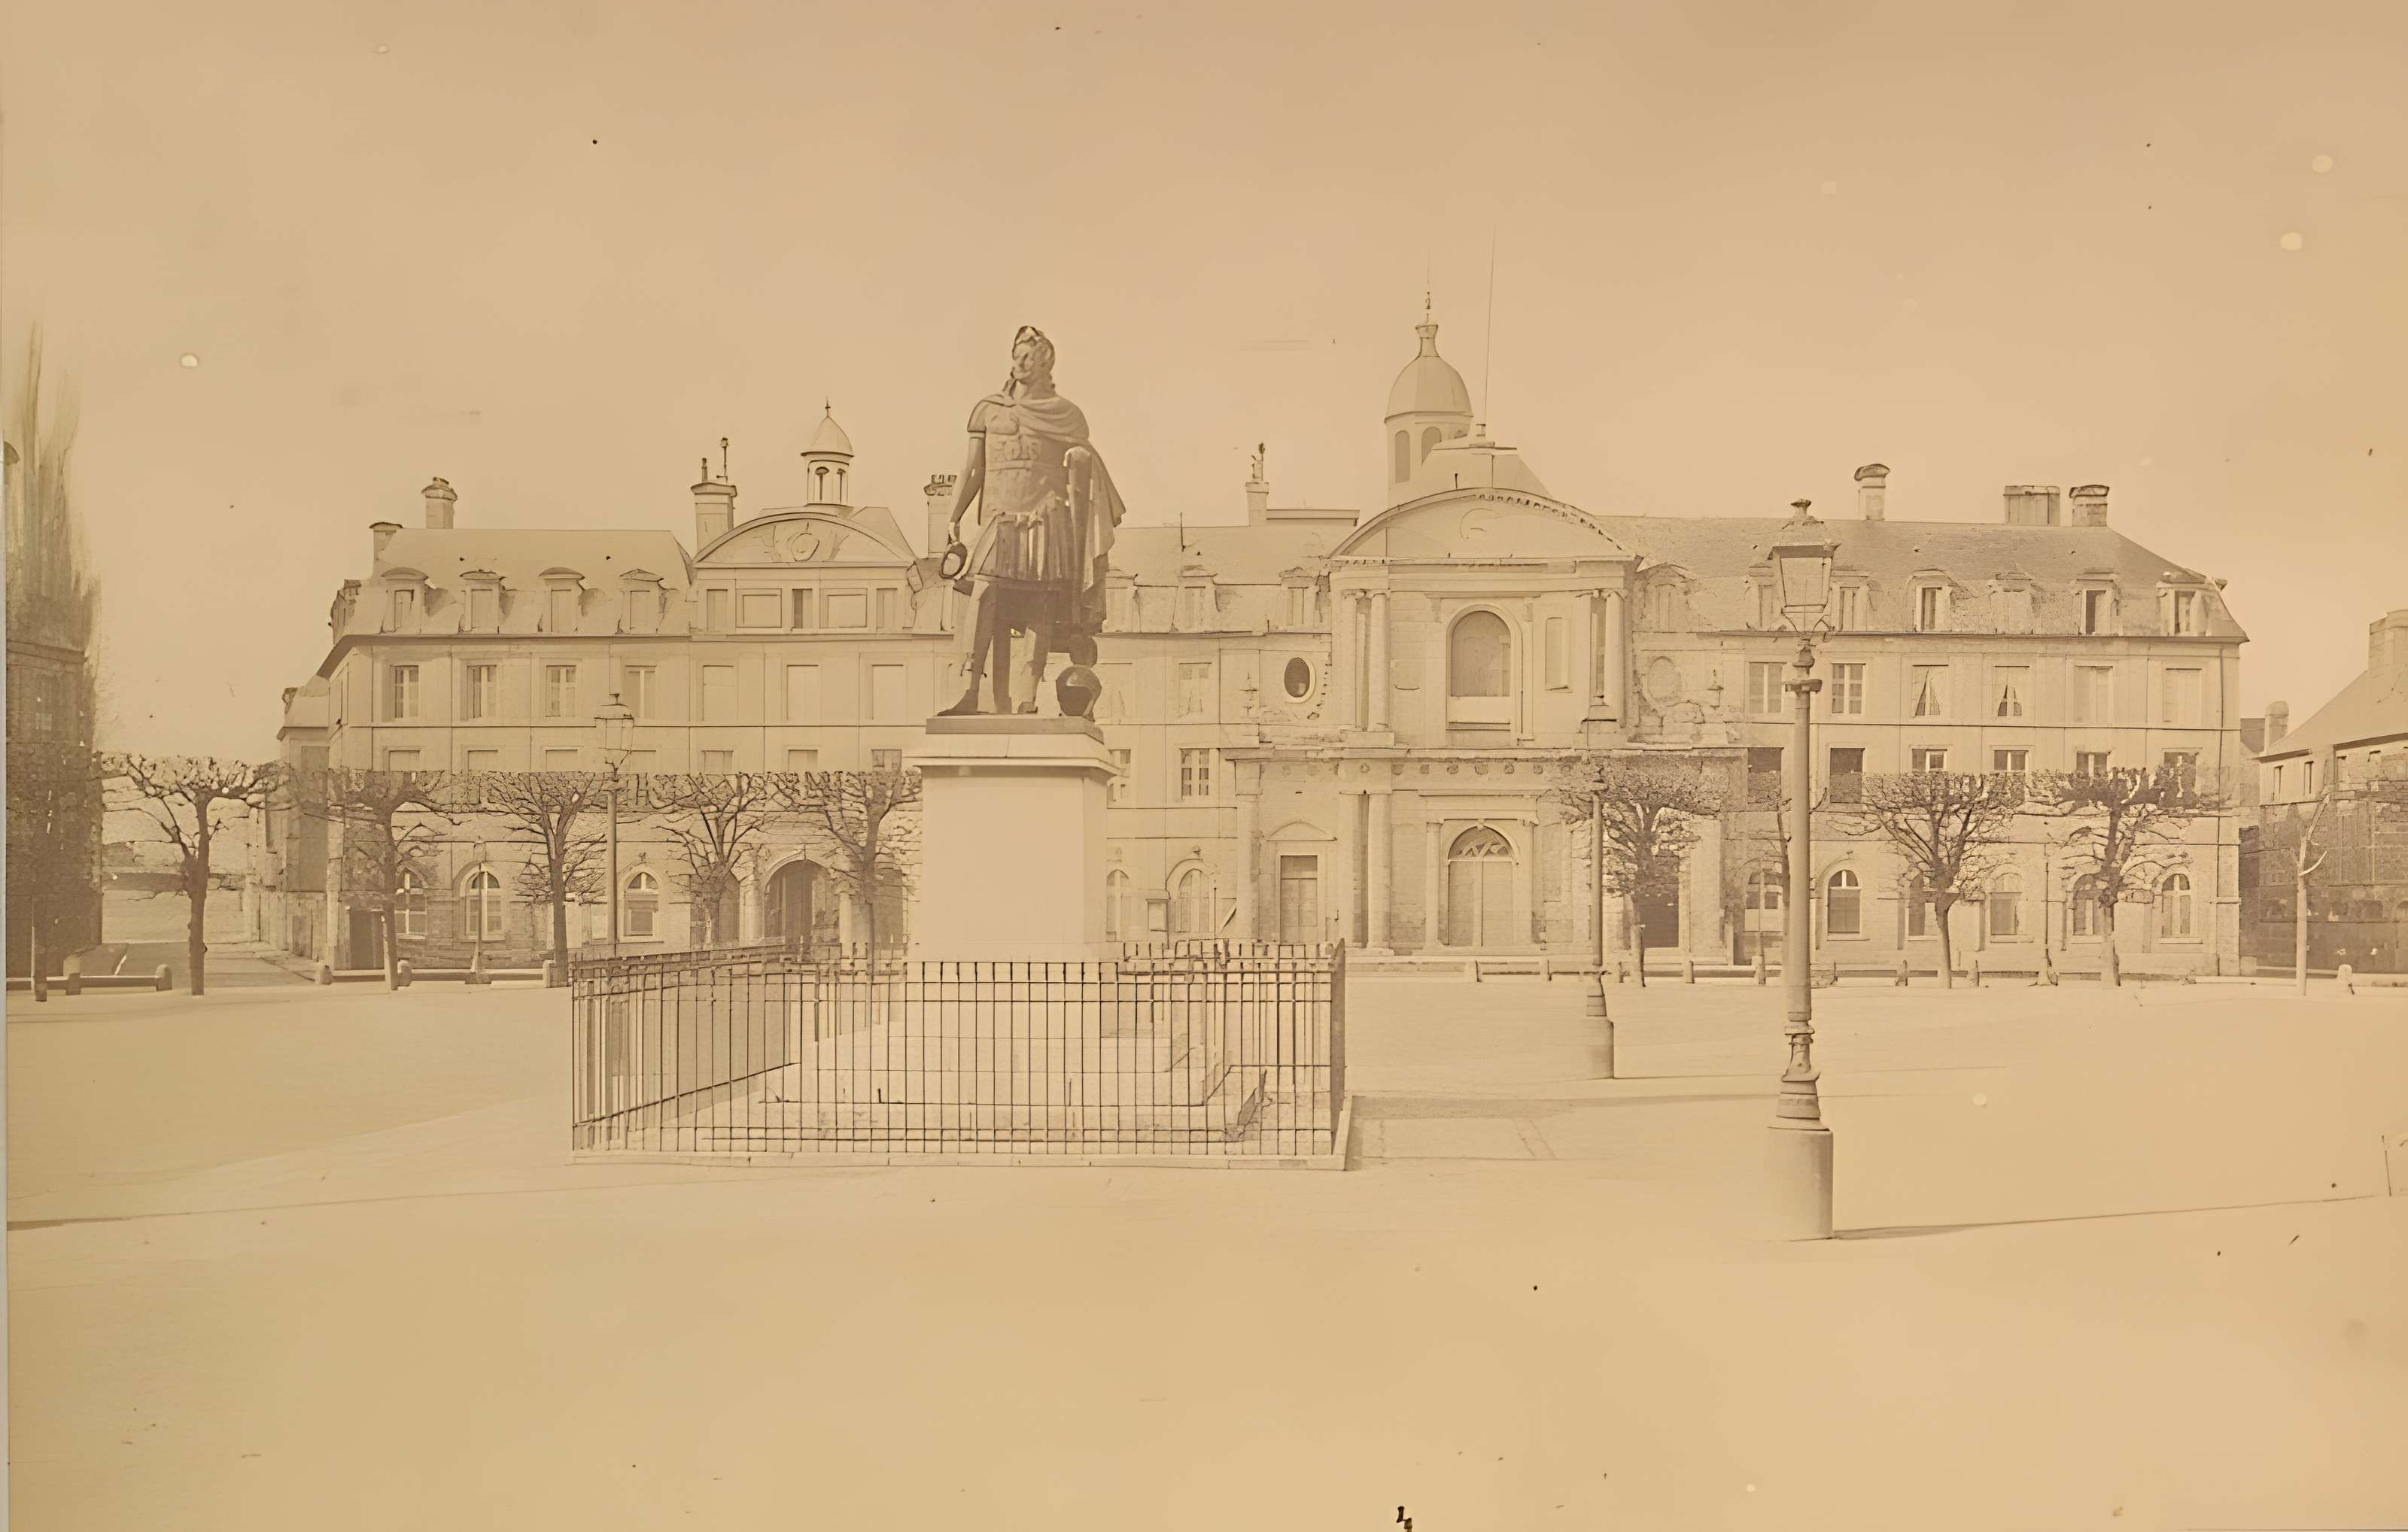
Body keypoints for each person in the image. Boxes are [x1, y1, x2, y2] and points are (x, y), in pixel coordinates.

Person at [938, 326, 1126, 716]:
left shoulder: (1067, 415)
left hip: (1046, 515)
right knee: (984, 594)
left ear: (1045, 364)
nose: (1019, 363)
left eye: (1028, 357)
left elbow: (1087, 469)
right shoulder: (988, 410)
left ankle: (1026, 697)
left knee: (1040, 606)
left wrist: (1080, 463)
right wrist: (954, 515)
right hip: (999, 519)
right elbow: (973, 469)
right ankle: (969, 690)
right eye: (1017, 355)